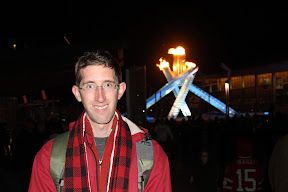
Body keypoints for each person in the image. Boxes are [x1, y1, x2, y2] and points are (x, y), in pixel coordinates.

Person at [29, 50, 172, 192]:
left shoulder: (152, 156)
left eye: (108, 85)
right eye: (90, 86)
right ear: (77, 93)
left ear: (120, 90)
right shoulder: (49, 157)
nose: (100, 97)